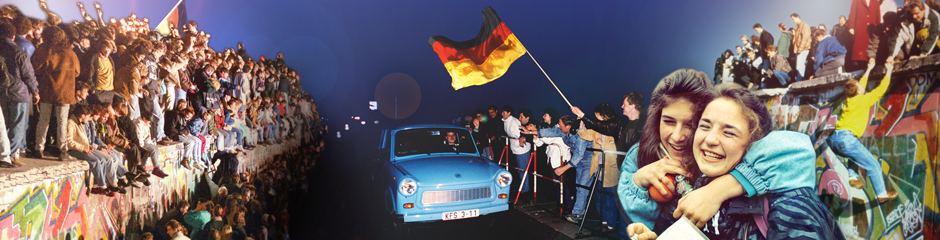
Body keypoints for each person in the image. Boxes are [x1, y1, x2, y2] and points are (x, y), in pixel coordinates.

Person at [629, 83, 844, 240]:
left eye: (729, 133)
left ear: (754, 143)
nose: (710, 139)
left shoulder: (789, 206)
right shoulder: (694, 186)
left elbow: (799, 148)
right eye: (704, 126)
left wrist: (721, 189)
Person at [828, 59, 898, 203]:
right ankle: (882, 194)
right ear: (858, 90)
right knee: (873, 165)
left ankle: (853, 177)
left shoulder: (849, 100)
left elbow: (861, 84)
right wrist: (889, 70)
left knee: (852, 154)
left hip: (835, 139)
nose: (861, 84)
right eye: (859, 85)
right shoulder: (863, 100)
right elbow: (880, 91)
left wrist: (869, 68)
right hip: (847, 139)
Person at [524, 115, 592, 223]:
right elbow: (550, 132)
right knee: (579, 188)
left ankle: (577, 213)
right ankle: (580, 211)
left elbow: (579, 155)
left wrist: (563, 168)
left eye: (560, 125)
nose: (559, 127)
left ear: (568, 126)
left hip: (589, 162)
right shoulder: (563, 132)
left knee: (582, 189)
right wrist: (533, 131)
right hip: (578, 161)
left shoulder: (579, 135)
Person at [33, 26, 80, 161]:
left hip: (47, 89)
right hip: (65, 92)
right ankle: (62, 151)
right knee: (62, 121)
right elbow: (77, 72)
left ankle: (38, 148)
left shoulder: (42, 50)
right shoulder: (70, 54)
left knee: (43, 119)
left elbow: (36, 69)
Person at [0, 21, 37, 165]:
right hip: (19, 92)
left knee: (4, 125)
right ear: (13, 36)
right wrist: (35, 90)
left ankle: (5, 152)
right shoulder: (18, 51)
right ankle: (10, 156)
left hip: (2, 92)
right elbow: (28, 73)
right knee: (18, 126)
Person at [501, 105, 533, 198]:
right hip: (515, 148)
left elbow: (521, 135)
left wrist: (521, 138)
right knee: (519, 170)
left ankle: (525, 190)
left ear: (509, 113)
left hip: (522, 149)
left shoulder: (514, 122)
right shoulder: (506, 122)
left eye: (504, 112)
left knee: (523, 170)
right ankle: (522, 187)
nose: (502, 114)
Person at [791, 13, 812, 78]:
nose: (793, 21)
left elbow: (805, 37)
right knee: (799, 66)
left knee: (800, 66)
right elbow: (795, 41)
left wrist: (800, 48)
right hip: (799, 50)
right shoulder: (798, 27)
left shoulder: (804, 26)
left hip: (803, 49)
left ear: (797, 17)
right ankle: (799, 80)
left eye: (793, 19)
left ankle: (799, 81)